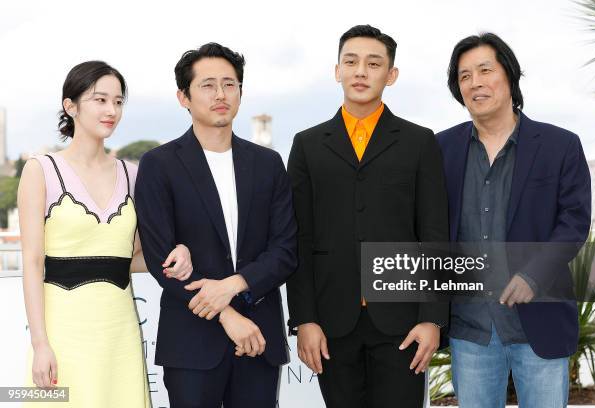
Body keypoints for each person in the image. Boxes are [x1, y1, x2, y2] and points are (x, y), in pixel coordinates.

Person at [286, 25, 449, 408]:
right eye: (351, 61)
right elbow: (300, 239)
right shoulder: (307, 144)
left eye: (373, 63)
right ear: (337, 70)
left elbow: (434, 233)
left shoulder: (419, 141)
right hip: (331, 321)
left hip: (404, 321)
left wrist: (432, 319)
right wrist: (304, 320)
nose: (361, 71)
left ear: (390, 75)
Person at [19, 60, 194, 407]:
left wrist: (181, 252)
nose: (111, 110)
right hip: (63, 332)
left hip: (119, 332)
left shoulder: (134, 174)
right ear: (70, 106)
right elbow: (32, 263)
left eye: (118, 101)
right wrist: (41, 344)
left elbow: (139, 256)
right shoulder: (41, 170)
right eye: (100, 100)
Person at [134, 43, 297, 408]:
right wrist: (225, 313)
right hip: (192, 342)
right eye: (207, 85)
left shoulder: (269, 164)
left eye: (230, 84)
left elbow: (286, 251)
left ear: (240, 92)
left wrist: (234, 286)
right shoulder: (159, 165)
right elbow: (162, 258)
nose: (220, 94)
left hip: (258, 338)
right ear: (184, 97)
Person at [436, 33, 591, 408]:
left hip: (538, 325)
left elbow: (574, 221)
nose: (475, 82)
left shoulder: (560, 145)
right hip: (469, 330)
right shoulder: (441, 149)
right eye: (464, 76)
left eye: (485, 70)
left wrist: (533, 274)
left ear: (509, 75)